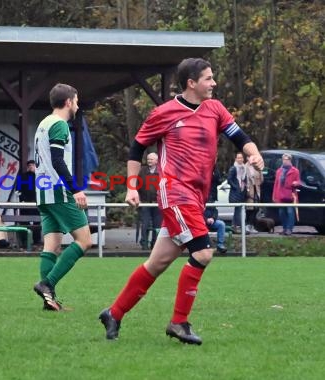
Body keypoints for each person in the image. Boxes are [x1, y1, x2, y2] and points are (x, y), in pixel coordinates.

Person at [98, 58, 264, 344]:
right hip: (174, 192)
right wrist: (132, 187)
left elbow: (240, 137)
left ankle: (114, 313)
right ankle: (179, 323)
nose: (214, 83)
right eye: (208, 79)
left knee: (158, 262)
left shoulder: (215, 109)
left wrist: (254, 153)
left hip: (196, 198)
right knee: (202, 253)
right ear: (192, 83)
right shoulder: (165, 113)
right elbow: (137, 148)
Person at [32, 83, 92, 312]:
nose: (77, 105)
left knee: (52, 245)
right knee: (85, 240)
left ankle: (50, 301)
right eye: (76, 101)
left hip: (43, 190)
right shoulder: (60, 125)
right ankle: (46, 284)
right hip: (58, 190)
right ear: (68, 102)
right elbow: (58, 160)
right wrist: (75, 188)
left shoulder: (43, 124)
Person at [138, 152, 162, 250]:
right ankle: (144, 244)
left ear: (156, 161)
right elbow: (136, 186)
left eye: (151, 159)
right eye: (148, 159)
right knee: (145, 224)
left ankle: (155, 244)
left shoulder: (162, 171)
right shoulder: (142, 171)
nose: (149, 161)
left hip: (158, 203)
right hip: (145, 202)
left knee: (157, 226)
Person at [272, 153, 300, 236]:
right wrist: (274, 195)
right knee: (281, 212)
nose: (285, 161)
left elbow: (299, 182)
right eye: (284, 159)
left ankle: (289, 229)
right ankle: (284, 228)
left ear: (290, 160)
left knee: (290, 212)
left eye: (287, 159)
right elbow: (276, 184)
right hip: (280, 195)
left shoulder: (295, 171)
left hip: (290, 195)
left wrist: (295, 183)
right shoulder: (279, 171)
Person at [18, 160, 41, 245]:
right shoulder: (23, 176)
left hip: (37, 203)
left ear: (36, 166)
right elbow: (18, 190)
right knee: (24, 221)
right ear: (27, 167)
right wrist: (22, 200)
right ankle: (24, 241)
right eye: (29, 165)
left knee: (37, 222)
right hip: (25, 202)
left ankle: (37, 241)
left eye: (33, 165)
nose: (31, 167)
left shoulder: (40, 176)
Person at [228, 152, 246, 233]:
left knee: (238, 210)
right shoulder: (233, 168)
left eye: (241, 158)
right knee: (238, 210)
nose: (240, 159)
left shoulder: (244, 168)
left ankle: (234, 226)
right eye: (238, 158)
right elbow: (229, 180)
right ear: (236, 159)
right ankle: (239, 227)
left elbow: (244, 179)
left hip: (241, 192)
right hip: (235, 193)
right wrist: (236, 187)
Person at [244, 158, 263, 233]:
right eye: (249, 158)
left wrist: (257, 183)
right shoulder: (245, 167)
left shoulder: (257, 167)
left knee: (256, 209)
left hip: (256, 190)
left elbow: (261, 179)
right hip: (248, 191)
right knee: (249, 209)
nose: (251, 159)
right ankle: (247, 225)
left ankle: (251, 226)